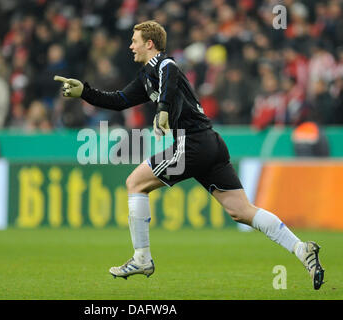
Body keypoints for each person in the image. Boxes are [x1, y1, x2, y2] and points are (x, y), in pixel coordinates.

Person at [54, 21, 325, 290]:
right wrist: (85, 92)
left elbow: (170, 74)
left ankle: (142, 258)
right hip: (210, 143)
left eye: (134, 40)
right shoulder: (147, 76)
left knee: (135, 183)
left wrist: (162, 108)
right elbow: (119, 100)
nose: (130, 45)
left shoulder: (164, 65)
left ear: (149, 43)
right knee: (240, 211)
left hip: (193, 143)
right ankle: (301, 248)